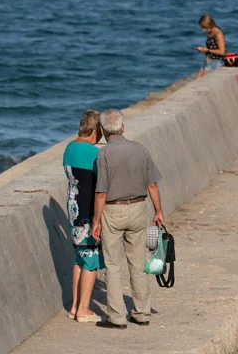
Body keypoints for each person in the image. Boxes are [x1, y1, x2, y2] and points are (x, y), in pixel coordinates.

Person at [91, 109, 166, 329]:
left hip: (113, 211)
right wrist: (158, 211)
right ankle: (142, 312)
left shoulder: (103, 155)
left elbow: (101, 193)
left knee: (113, 265)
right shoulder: (140, 150)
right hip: (138, 208)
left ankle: (116, 317)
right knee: (137, 262)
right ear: (123, 128)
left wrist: (96, 221)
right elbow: (152, 184)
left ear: (103, 131)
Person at [62, 110, 105, 323]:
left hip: (72, 211)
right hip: (87, 214)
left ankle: (74, 306)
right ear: (96, 129)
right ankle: (84, 309)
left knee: (79, 259)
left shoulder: (69, 148)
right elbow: (102, 184)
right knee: (91, 260)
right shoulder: (93, 154)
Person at [194, 14, 226, 78]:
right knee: (197, 80)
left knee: (202, 82)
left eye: (204, 27)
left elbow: (222, 52)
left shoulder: (218, 34)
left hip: (216, 62)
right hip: (208, 61)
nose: (203, 30)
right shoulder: (210, 33)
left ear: (210, 25)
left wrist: (207, 50)